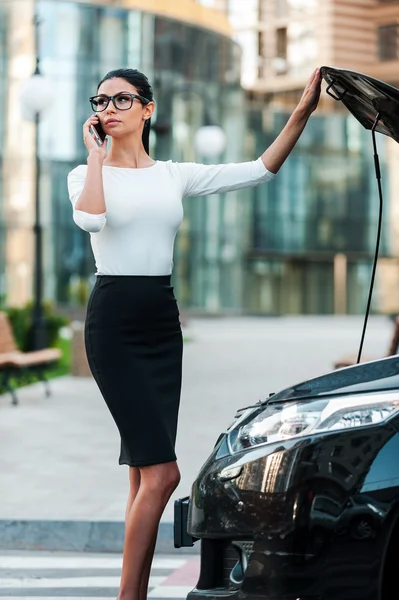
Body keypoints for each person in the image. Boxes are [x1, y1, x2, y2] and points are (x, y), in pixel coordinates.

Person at [67, 66, 322, 600]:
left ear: (147, 108)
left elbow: (259, 170)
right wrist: (95, 156)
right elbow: (91, 221)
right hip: (114, 322)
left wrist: (300, 113)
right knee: (163, 474)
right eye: (101, 100)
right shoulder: (85, 174)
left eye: (121, 99)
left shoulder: (172, 174)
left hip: (162, 322)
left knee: (142, 474)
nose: (108, 108)